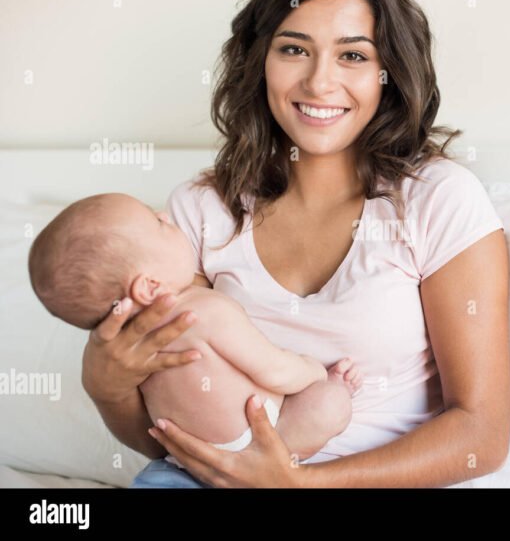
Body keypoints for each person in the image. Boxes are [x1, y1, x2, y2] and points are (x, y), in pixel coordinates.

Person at [82, 0, 510, 488]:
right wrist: (107, 389)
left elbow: (482, 435)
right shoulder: (200, 209)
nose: (319, 83)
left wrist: (298, 482)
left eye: (353, 56)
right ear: (259, 60)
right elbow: (174, 433)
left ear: (388, 73)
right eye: (294, 49)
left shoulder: (437, 199)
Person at [28, 192, 362, 487]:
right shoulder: (204, 310)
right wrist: (316, 371)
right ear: (148, 286)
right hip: (265, 442)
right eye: (157, 223)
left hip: (182, 465)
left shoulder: (130, 346)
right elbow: (275, 371)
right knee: (331, 403)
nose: (166, 216)